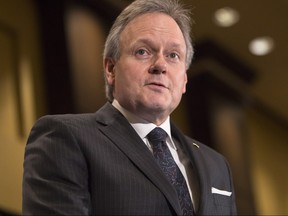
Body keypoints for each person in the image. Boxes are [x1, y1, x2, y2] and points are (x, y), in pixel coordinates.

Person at [22, 0, 237, 215]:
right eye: (143, 51)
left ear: (184, 80)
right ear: (111, 68)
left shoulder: (216, 164)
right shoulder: (65, 137)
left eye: (173, 55)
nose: (160, 65)